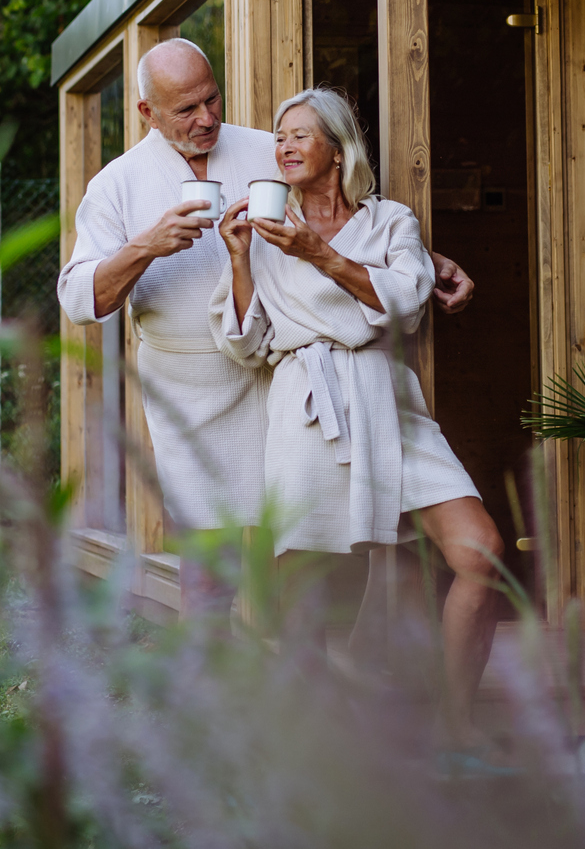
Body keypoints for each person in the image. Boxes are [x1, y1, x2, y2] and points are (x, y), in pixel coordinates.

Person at [56, 41, 476, 616]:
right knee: (212, 559)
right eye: (186, 110)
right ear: (147, 112)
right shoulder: (117, 184)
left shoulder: (265, 149)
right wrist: (146, 246)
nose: (207, 119)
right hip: (194, 390)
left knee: (313, 553)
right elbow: (81, 298)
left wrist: (429, 262)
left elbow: (340, 216)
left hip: (287, 380)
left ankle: (312, 687)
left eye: (212, 98)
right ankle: (210, 695)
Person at [211, 85, 504, 746]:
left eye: (300, 134)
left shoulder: (390, 222)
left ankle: (455, 723)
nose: (283, 145)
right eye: (278, 135)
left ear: (339, 150)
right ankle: (275, 734)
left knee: (480, 553)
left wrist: (319, 255)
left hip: (385, 396)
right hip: (305, 401)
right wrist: (237, 260)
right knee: (274, 591)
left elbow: (405, 299)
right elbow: (244, 343)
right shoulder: (261, 228)